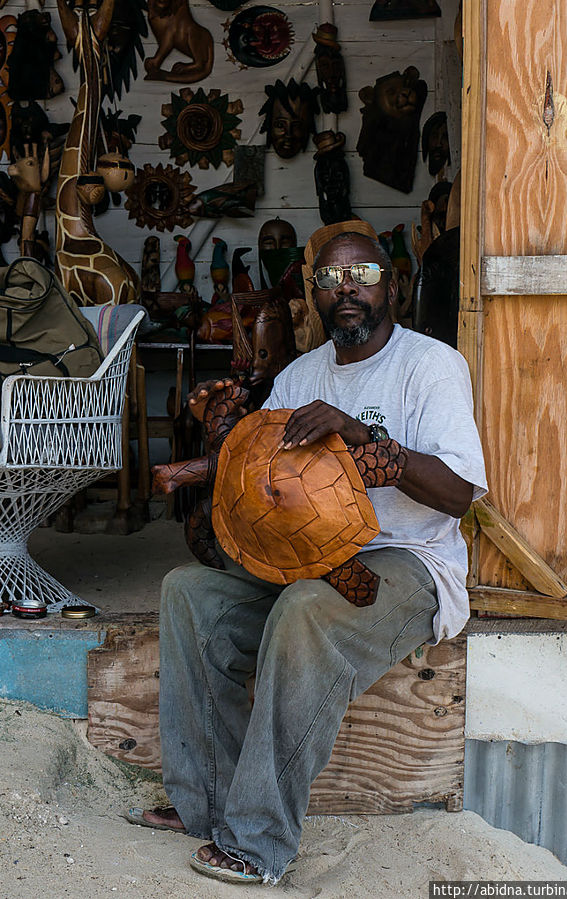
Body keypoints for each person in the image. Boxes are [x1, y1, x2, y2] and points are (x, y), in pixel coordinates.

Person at [126, 230, 487, 885]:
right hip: (310, 558)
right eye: (329, 278)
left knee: (304, 608)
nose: (346, 287)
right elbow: (262, 474)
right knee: (188, 590)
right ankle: (208, 803)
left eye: (363, 272)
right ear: (312, 294)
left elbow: (458, 493)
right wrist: (213, 454)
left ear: (392, 286)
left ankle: (260, 839)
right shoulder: (299, 375)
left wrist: (361, 434)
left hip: (405, 564)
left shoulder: (430, 365)